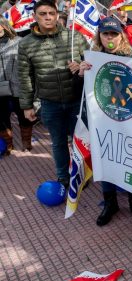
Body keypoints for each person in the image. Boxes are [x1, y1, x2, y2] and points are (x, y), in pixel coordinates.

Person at [75, 17, 132, 227]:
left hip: (126, 120)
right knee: (104, 160)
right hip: (101, 121)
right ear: (99, 36)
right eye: (106, 34)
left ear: (121, 36)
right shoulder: (91, 58)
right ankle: (111, 203)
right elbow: (81, 92)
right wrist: (81, 74)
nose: (110, 38)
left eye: (114, 34)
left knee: (130, 160)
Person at [18, 0, 88, 187]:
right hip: (50, 102)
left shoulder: (75, 37)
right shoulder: (25, 44)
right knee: (57, 143)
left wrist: (81, 67)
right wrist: (26, 106)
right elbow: (25, 76)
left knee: (79, 142)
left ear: (57, 14)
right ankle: (63, 176)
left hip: (76, 100)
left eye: (51, 13)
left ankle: (81, 173)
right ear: (34, 17)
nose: (48, 17)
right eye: (43, 14)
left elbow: (91, 63)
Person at [0, 18, 33, 154]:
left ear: (4, 26)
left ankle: (26, 144)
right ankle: (8, 146)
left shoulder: (20, 42)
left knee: (24, 116)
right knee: (2, 119)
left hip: (19, 87)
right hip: (0, 89)